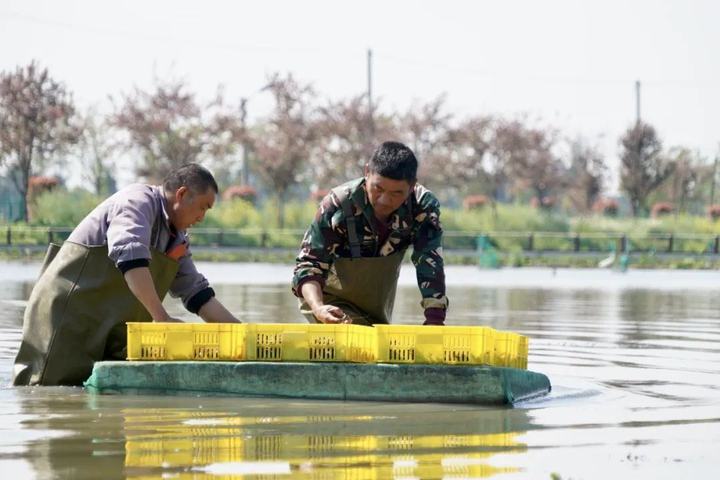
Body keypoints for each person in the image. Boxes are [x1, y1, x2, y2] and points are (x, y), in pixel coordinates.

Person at [13, 163, 241, 387]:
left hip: (112, 328)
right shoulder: (138, 201)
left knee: (100, 397)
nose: (202, 217)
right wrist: (162, 318)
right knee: (46, 388)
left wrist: (242, 337)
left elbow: (198, 295)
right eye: (203, 207)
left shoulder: (178, 238)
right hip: (68, 316)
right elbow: (131, 259)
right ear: (182, 194)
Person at [292, 141, 448, 326]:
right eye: (378, 189)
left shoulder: (423, 207)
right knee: (352, 340)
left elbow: (430, 261)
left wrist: (434, 320)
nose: (384, 200)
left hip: (376, 308)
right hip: (327, 302)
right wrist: (318, 308)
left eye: (396, 193)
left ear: (412, 185)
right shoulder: (339, 204)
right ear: (367, 172)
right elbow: (309, 266)